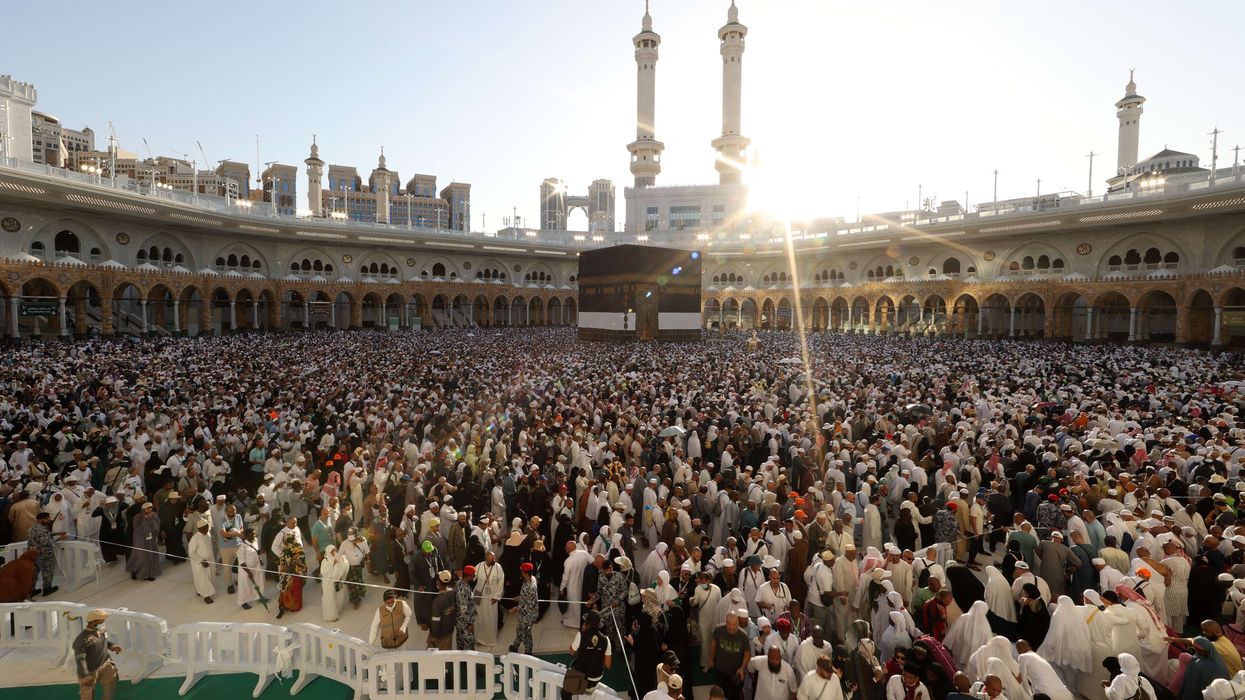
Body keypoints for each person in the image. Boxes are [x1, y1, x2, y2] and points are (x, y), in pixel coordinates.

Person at [562, 610, 612, 700]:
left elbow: (571, 652)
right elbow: (608, 665)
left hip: (580, 677)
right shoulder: (606, 640)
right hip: (595, 678)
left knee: (564, 693)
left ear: (587, 623)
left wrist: (582, 632)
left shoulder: (581, 635)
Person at [74, 609, 121, 700]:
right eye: (101, 619)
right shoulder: (82, 639)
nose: (103, 620)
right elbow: (80, 659)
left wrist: (112, 646)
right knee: (87, 694)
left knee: (110, 682)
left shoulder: (101, 631)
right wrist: (85, 675)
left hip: (106, 664)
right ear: (94, 621)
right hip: (90, 670)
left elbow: (104, 641)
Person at [711, 609, 751, 700]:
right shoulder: (718, 630)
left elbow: (747, 653)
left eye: (734, 624)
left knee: (734, 696)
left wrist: (742, 668)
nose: (731, 626)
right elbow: (713, 643)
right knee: (719, 695)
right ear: (726, 622)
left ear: (738, 622)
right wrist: (711, 658)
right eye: (729, 624)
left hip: (735, 673)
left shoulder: (743, 636)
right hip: (720, 670)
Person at [27, 511, 65, 596]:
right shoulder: (42, 529)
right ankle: (47, 589)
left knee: (34, 572)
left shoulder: (33, 528)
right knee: (47, 571)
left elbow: (45, 535)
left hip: (33, 554)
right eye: (47, 519)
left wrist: (58, 533)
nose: (49, 520)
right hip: (44, 554)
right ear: (40, 520)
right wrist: (60, 538)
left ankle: (31, 590)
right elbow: (46, 542)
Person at [474, 551, 505, 647]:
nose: (494, 561)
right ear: (486, 559)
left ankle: (490, 640)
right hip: (479, 596)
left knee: (491, 618)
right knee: (479, 617)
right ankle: (479, 638)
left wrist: (497, 596)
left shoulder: (498, 567)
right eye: (491, 560)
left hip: (491, 598)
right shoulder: (479, 566)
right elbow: (472, 577)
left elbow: (501, 581)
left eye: (494, 559)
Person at [127, 502, 162, 582]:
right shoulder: (137, 517)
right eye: (148, 508)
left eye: (151, 508)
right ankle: (138, 572)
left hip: (151, 539)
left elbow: (157, 525)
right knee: (142, 557)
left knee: (151, 556)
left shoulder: (154, 515)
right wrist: (146, 520)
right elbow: (137, 529)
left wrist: (151, 520)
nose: (150, 509)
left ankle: (149, 574)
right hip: (141, 539)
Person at [509, 561, 538, 654]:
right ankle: (515, 645)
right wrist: (520, 597)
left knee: (526, 634)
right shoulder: (531, 579)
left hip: (528, 614)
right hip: (525, 613)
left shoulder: (531, 586)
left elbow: (528, 603)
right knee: (520, 629)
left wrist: (516, 608)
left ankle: (528, 652)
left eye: (522, 571)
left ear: (524, 573)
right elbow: (526, 597)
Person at [276, 533, 307, 618]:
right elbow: (282, 562)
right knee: (286, 588)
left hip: (295, 573)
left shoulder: (297, 549)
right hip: (289, 573)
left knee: (292, 588)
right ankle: (287, 606)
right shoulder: (286, 550)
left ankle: (292, 606)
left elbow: (301, 561)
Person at [339, 527, 370, 609]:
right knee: (351, 585)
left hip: (358, 567)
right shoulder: (344, 543)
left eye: (353, 540)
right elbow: (339, 556)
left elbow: (367, 552)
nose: (352, 542)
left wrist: (369, 563)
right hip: (348, 568)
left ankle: (358, 595)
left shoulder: (363, 541)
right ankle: (355, 600)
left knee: (358, 581)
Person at [235, 527, 265, 610]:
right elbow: (241, 562)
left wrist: (260, 559)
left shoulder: (255, 540)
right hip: (246, 569)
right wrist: (249, 572)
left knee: (259, 582)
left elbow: (256, 551)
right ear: (246, 536)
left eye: (254, 534)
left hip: (256, 566)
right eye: (252, 534)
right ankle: (244, 602)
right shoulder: (242, 547)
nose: (254, 536)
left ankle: (258, 597)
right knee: (245, 586)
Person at [188, 521, 216, 604]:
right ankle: (206, 596)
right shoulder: (195, 538)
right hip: (199, 563)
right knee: (203, 579)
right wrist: (201, 560)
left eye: (207, 527)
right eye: (204, 528)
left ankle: (199, 591)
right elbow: (191, 553)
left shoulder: (208, 535)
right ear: (199, 529)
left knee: (208, 577)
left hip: (210, 560)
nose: (206, 529)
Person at [427, 570, 457, 650]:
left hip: (439, 635)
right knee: (447, 653)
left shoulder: (437, 601)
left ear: (439, 583)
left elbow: (436, 621)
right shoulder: (453, 592)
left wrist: (433, 636)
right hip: (449, 631)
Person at [320, 544, 349, 622]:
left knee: (335, 597)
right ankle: (331, 616)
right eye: (332, 551)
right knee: (329, 599)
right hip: (327, 583)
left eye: (334, 550)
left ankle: (336, 612)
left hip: (334, 582)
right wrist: (332, 564)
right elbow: (323, 572)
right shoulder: (324, 561)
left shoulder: (334, 558)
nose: (334, 552)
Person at [455, 565, 479, 650]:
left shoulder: (462, 583)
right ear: (469, 576)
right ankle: (467, 663)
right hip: (464, 623)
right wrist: (470, 623)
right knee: (469, 645)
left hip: (462, 622)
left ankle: (462, 663)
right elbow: (463, 608)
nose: (474, 577)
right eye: (473, 575)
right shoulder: (463, 588)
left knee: (461, 644)